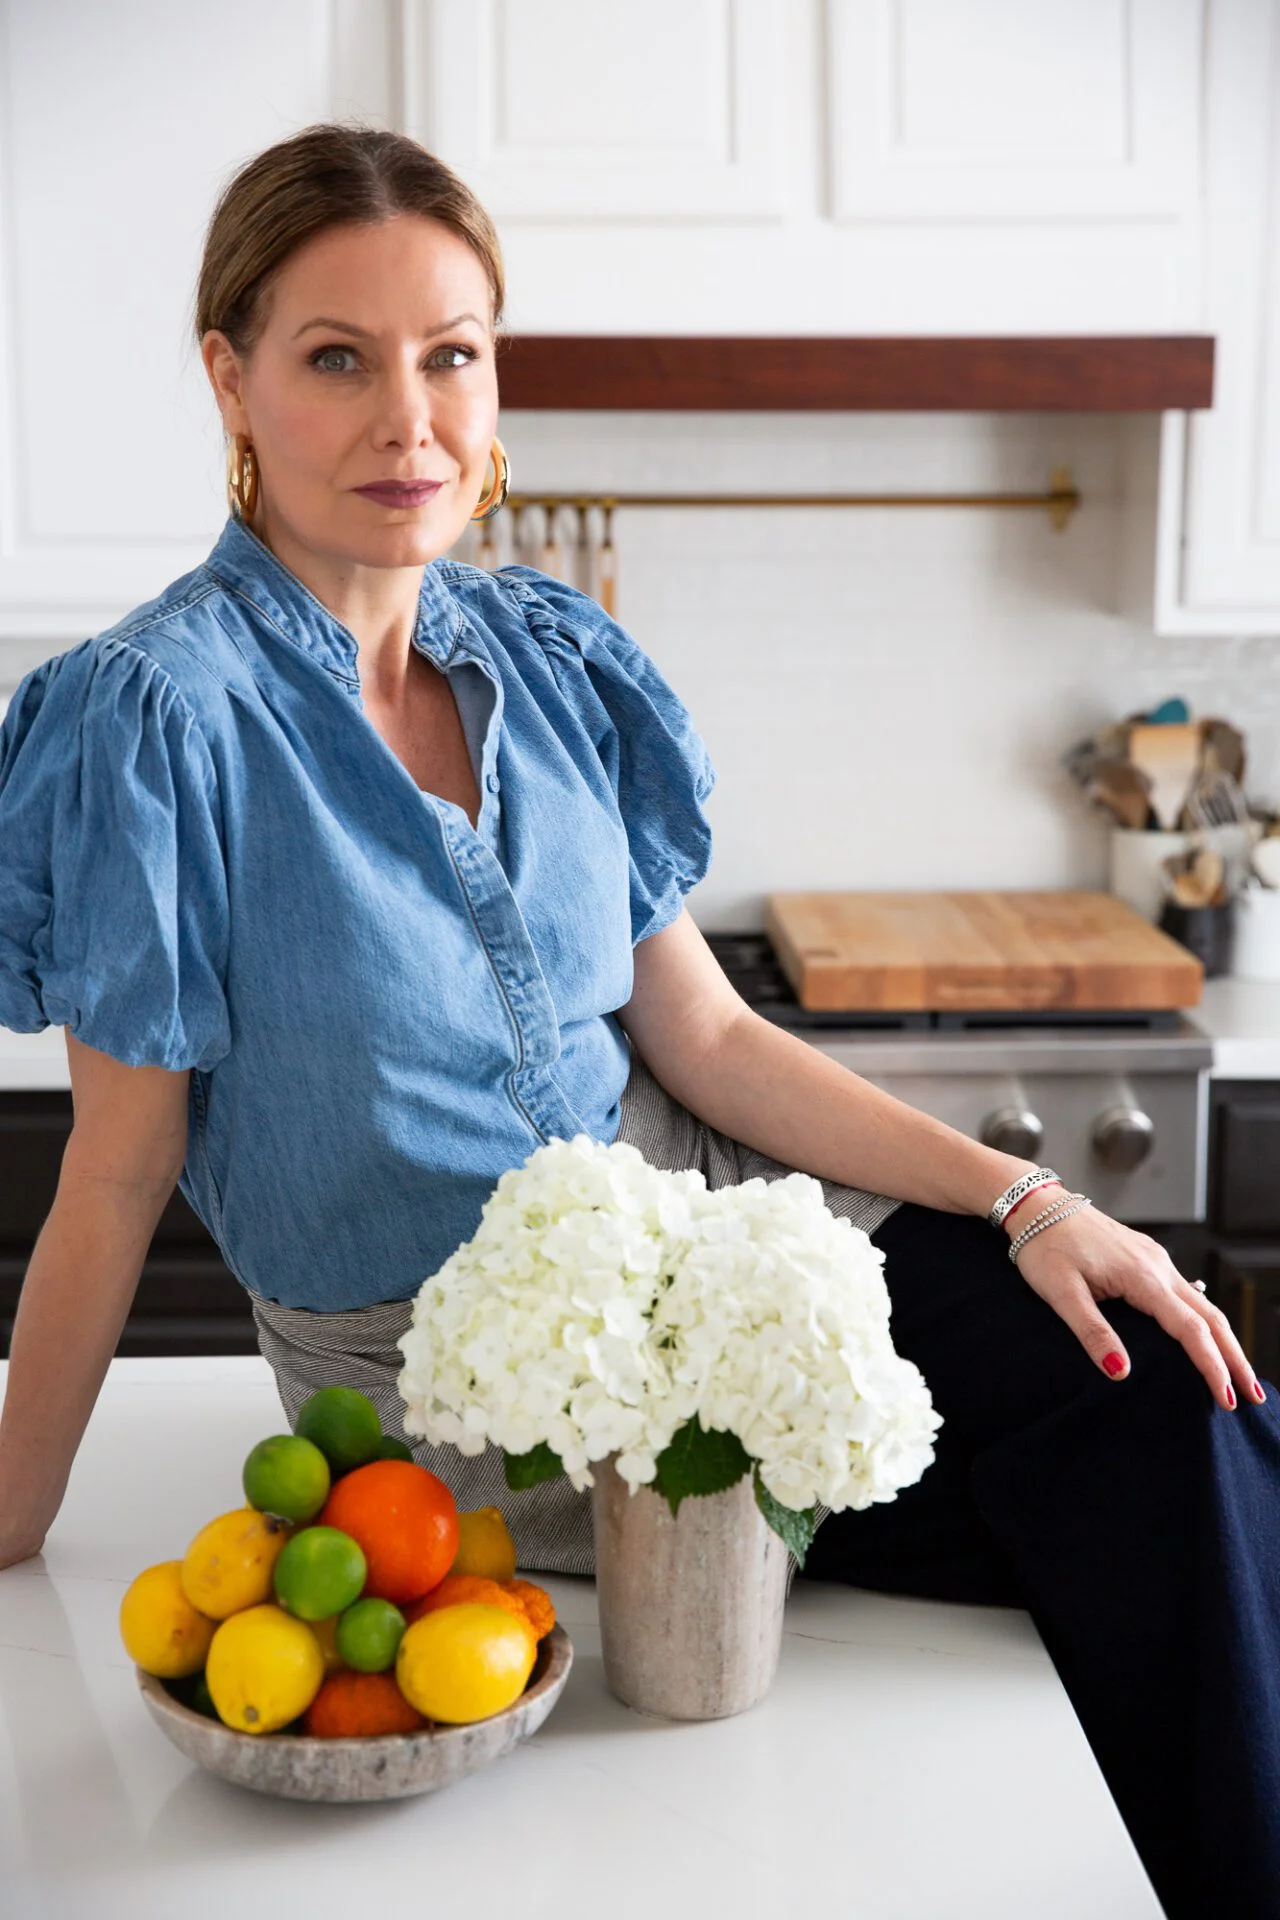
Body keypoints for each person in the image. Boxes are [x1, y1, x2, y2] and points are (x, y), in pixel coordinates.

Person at [0, 121, 1274, 1915]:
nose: (410, 422)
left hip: (746, 1262)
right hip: (480, 1408)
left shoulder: (548, 651)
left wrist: (1033, 1203)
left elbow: (717, 1048)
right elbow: (115, 1175)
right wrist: (9, 1519)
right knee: (1142, 1525)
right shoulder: (161, 724)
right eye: (338, 359)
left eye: (452, 353)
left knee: (1179, 1401)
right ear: (231, 377)